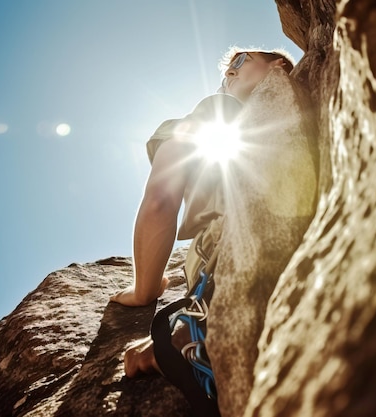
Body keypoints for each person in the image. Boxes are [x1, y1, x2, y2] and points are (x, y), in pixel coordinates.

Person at [111, 47, 316, 414]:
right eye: (226, 74)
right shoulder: (308, 109)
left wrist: (144, 291)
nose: (230, 76)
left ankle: (186, 339)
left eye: (240, 62)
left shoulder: (215, 110)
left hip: (222, 281)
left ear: (279, 64)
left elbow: (160, 199)